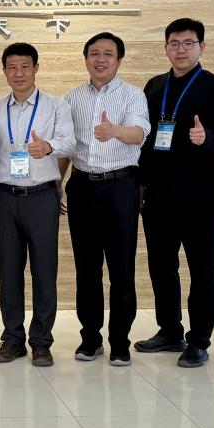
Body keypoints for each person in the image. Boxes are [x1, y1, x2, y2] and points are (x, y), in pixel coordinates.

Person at [137, 18, 214, 368]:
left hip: (199, 197)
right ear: (166, 48)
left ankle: (199, 340)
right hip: (157, 197)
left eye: (188, 43)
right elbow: (145, 140)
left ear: (201, 47)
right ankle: (169, 331)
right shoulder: (154, 86)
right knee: (161, 267)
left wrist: (206, 138)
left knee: (201, 269)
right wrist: (140, 186)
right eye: (174, 43)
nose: (181, 50)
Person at [0, 42, 75, 366]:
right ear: (4, 71)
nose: (18, 73)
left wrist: (48, 146)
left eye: (25, 66)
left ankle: (41, 342)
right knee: (9, 272)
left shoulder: (56, 105)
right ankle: (12, 339)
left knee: (44, 271)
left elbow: (70, 142)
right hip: (5, 197)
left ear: (36, 68)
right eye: (12, 67)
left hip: (41, 197)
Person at [63, 32, 150, 366]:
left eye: (108, 54)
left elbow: (139, 133)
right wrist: (57, 183)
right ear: (86, 58)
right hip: (82, 186)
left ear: (118, 60)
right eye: (94, 53)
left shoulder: (132, 95)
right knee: (86, 269)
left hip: (120, 187)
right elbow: (67, 147)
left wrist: (114, 130)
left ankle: (120, 342)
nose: (100, 59)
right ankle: (90, 338)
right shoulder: (72, 98)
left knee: (121, 268)